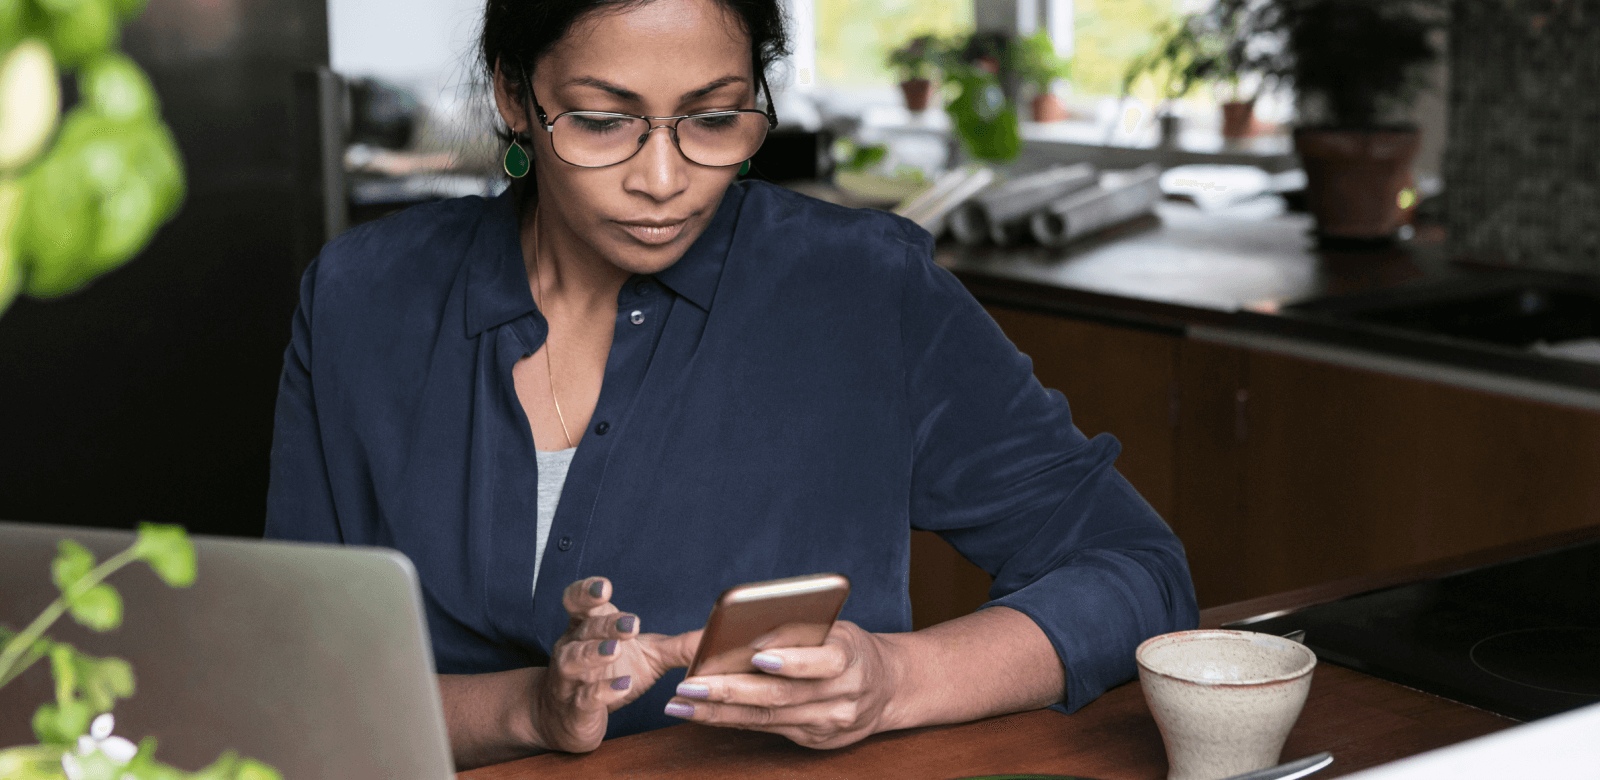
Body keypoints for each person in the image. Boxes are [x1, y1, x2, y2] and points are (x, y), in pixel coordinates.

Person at [265, 0, 1199, 770]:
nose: (665, 180)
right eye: (601, 120)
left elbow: (1136, 575)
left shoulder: (863, 288)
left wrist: (893, 680)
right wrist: (535, 711)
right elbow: (298, 693)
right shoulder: (361, 301)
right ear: (515, 97)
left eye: (714, 118)